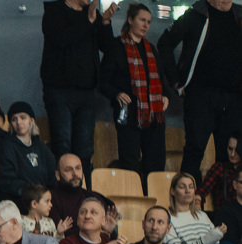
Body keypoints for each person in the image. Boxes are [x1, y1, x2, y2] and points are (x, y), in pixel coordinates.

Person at [157, 0, 242, 179]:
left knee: (231, 154)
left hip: (233, 97)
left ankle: (224, 196)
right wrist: (176, 81)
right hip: (201, 95)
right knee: (194, 150)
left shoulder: (239, 15)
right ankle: (186, 195)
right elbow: (164, 43)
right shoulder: (196, 15)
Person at [40, 0, 112, 167]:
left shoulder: (92, 12)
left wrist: (105, 21)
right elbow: (61, 39)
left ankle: (84, 183)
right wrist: (88, 22)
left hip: (87, 91)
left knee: (85, 149)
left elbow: (106, 46)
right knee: (62, 146)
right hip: (59, 91)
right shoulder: (54, 10)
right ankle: (63, 183)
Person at [100, 3, 168, 180]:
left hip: (154, 115)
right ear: (130, 20)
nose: (146, 25)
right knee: (129, 163)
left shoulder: (151, 49)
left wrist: (165, 96)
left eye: (149, 22)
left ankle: (153, 195)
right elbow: (102, 80)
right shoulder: (117, 46)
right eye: (142, 20)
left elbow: (161, 78)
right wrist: (116, 93)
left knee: (156, 163)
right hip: (129, 114)